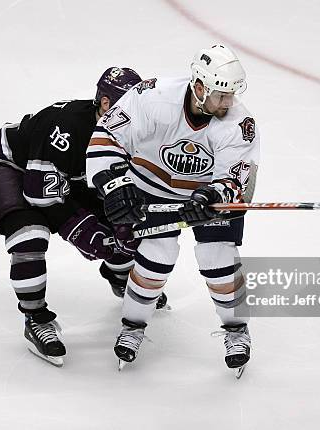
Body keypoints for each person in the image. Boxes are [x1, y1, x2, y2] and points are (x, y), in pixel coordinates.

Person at [0, 67, 167, 367]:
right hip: (12, 170)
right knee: (30, 235)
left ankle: (118, 276)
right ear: (105, 104)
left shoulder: (128, 129)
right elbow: (41, 195)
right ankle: (35, 317)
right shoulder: (64, 128)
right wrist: (83, 232)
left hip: (69, 177)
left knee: (123, 220)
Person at [86, 45, 260, 375]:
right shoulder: (152, 97)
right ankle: (133, 327)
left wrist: (212, 198)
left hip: (206, 191)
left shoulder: (239, 123)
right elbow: (106, 138)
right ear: (199, 87)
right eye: (222, 95)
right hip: (153, 185)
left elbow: (236, 177)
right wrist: (113, 185)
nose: (229, 103)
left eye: (232, 95)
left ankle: (237, 331)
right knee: (157, 251)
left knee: (218, 255)